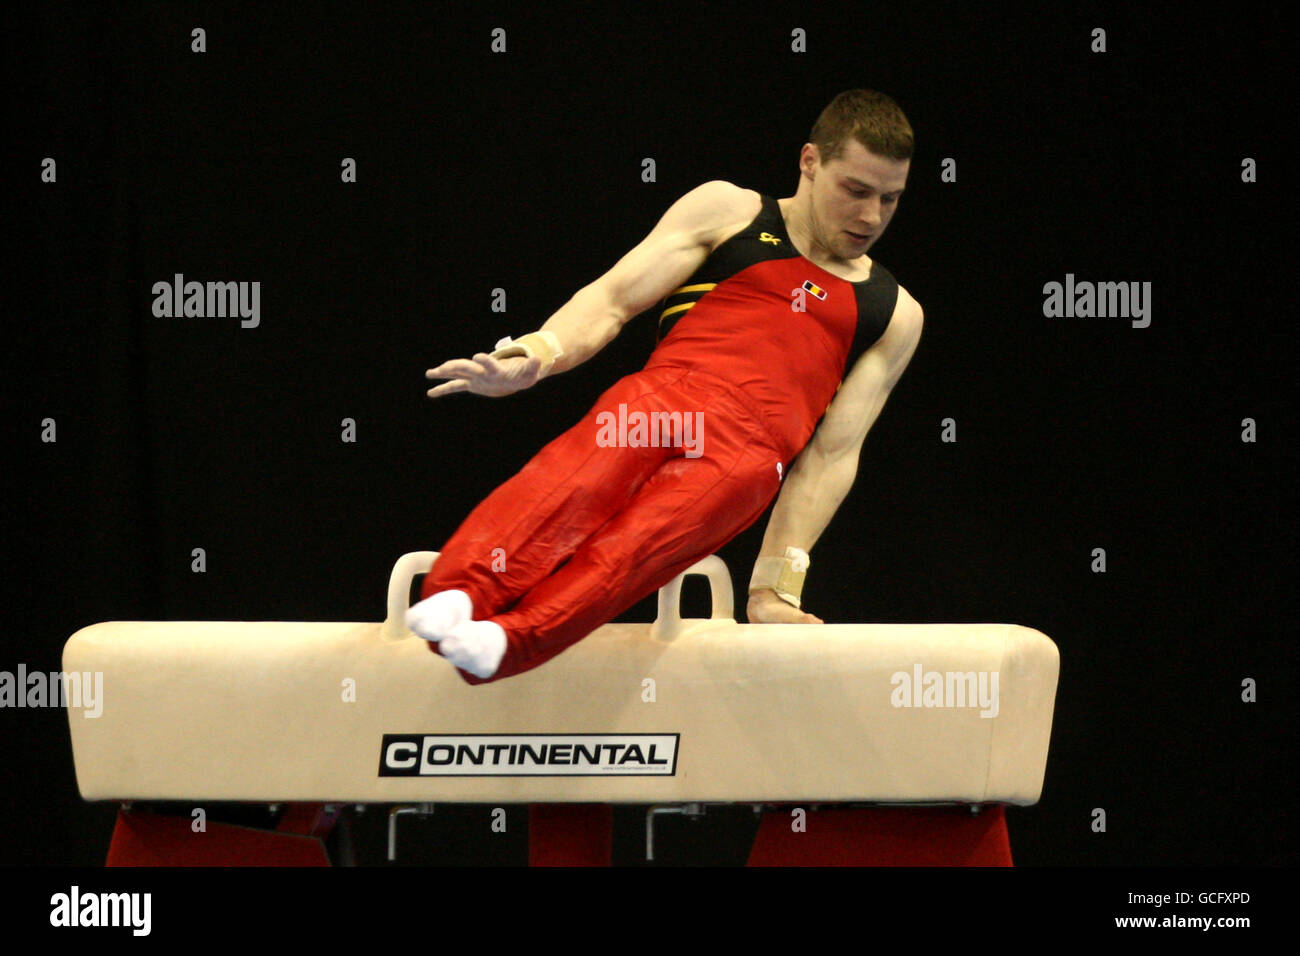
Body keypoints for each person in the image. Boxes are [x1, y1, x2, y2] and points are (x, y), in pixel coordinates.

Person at [408, 89, 924, 684]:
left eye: (890, 199)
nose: (870, 217)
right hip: (667, 398)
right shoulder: (729, 210)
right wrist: (538, 354)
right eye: (855, 190)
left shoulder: (893, 312)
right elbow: (612, 298)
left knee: (634, 553)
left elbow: (832, 457)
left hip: (749, 458)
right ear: (810, 161)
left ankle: (507, 642)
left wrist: (773, 589)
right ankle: (461, 591)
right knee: (570, 486)